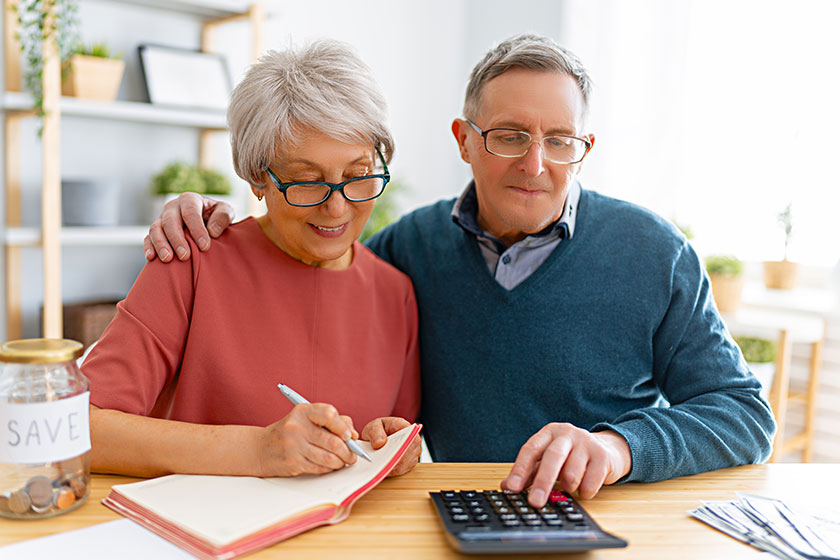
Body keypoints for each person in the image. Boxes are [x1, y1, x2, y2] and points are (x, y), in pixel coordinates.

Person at [144, 33, 776, 507]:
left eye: (560, 140)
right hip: (454, 516)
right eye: (507, 135)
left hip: (606, 522)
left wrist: (617, 447)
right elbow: (322, 248)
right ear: (464, 140)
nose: (535, 164)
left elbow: (745, 414)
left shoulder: (656, 251)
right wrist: (207, 215)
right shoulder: (410, 248)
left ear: (584, 149)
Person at [84, 40, 421, 479]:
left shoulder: (395, 293)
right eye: (306, 181)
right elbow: (78, 429)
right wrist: (256, 450)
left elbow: (397, 438)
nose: (337, 208)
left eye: (358, 176)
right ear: (257, 178)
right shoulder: (191, 261)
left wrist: (391, 445)